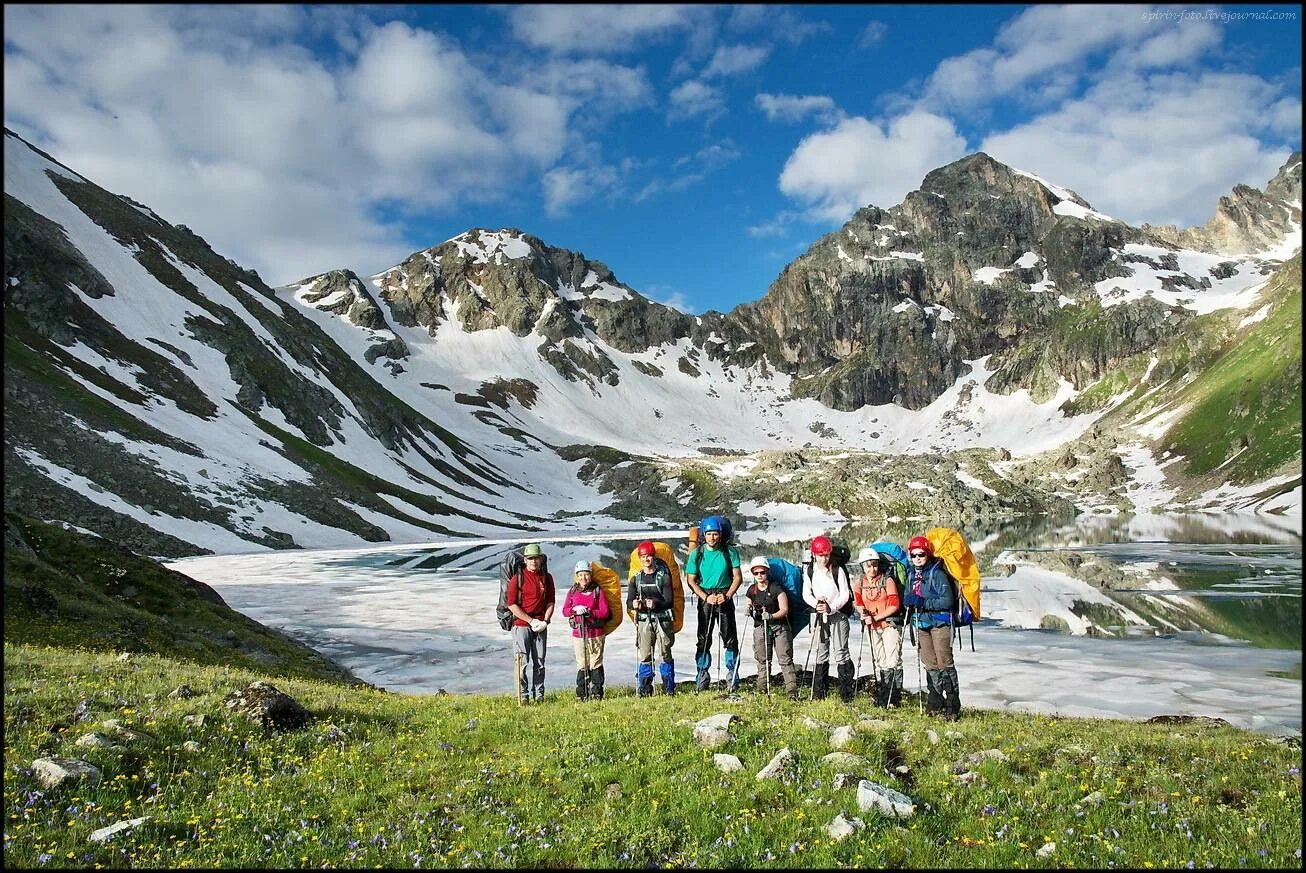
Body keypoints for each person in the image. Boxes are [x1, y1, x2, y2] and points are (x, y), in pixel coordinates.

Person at [901, 535, 961, 720]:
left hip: (939, 623)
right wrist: (909, 602)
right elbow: (907, 598)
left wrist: (923, 602)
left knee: (944, 663)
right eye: (914, 555)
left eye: (921, 554)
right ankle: (935, 702)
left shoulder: (938, 573)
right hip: (921, 623)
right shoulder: (912, 574)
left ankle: (952, 705)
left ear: (927, 554)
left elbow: (947, 600)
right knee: (930, 664)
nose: (917, 558)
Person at [685, 517, 743, 693]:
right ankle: (702, 674)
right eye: (709, 534)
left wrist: (727, 595)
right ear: (704, 535)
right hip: (706, 598)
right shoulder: (697, 553)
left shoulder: (729, 552)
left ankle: (732, 674)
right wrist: (704, 597)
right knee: (703, 638)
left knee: (730, 637)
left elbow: (738, 577)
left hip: (724, 596)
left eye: (715, 534)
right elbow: (691, 580)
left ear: (720, 534)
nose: (712, 537)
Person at [802, 535, 854, 701]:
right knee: (821, 651)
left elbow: (845, 593)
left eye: (826, 555)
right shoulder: (810, 570)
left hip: (837, 615)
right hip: (819, 615)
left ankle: (846, 693)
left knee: (841, 651)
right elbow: (806, 593)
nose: (823, 558)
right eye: (820, 555)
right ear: (814, 555)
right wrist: (816, 604)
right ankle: (819, 692)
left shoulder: (837, 569)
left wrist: (832, 607)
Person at [852, 547, 904, 707]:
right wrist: (864, 613)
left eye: (874, 565)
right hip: (872, 627)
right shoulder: (859, 583)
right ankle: (885, 694)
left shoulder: (887, 581)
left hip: (889, 625)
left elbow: (894, 605)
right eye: (868, 565)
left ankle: (893, 697)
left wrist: (875, 617)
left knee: (893, 660)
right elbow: (858, 602)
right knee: (880, 660)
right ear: (862, 566)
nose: (872, 569)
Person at [744, 555, 799, 699]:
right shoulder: (752, 589)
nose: (759, 575)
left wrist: (772, 616)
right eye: (756, 573)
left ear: (767, 572)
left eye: (762, 572)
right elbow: (748, 601)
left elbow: (784, 609)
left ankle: (792, 693)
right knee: (763, 660)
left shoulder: (776, 588)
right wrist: (748, 608)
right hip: (761, 628)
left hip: (780, 627)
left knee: (785, 659)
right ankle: (762, 690)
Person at [506, 543, 555, 704]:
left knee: (540, 662)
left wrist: (545, 621)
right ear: (525, 560)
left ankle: (539, 695)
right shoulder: (517, 578)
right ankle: (523, 695)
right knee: (522, 661)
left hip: (540, 625)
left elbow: (550, 601)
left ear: (541, 559)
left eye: (536, 558)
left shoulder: (547, 578)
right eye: (530, 558)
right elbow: (512, 604)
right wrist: (530, 620)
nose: (534, 561)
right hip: (521, 625)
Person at [627, 541, 677, 696]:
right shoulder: (635, 579)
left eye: (648, 556)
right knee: (645, 654)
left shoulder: (664, 576)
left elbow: (669, 601)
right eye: (643, 557)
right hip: (644, 620)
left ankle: (668, 688)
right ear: (640, 559)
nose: (646, 559)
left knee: (665, 653)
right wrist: (634, 603)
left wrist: (655, 603)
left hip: (662, 620)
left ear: (653, 557)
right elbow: (629, 601)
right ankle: (645, 689)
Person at [563, 560, 611, 701]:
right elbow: (565, 610)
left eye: (586, 575)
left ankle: (597, 692)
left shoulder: (597, 591)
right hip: (579, 633)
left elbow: (605, 611)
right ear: (577, 576)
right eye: (581, 575)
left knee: (596, 662)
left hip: (595, 633)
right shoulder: (572, 592)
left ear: (591, 575)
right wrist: (574, 610)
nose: (584, 578)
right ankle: (582, 693)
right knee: (582, 663)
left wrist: (589, 612)